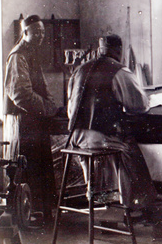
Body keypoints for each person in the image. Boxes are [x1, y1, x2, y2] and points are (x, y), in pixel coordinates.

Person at [67, 34, 157, 212]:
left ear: (100, 50)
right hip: (100, 138)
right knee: (129, 151)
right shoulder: (119, 71)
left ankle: (101, 206)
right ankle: (129, 208)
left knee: (100, 167)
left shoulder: (80, 69)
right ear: (119, 51)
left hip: (76, 138)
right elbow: (138, 106)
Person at [4, 14, 59, 226]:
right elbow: (20, 94)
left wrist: (51, 106)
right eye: (35, 32)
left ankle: (42, 212)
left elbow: (43, 87)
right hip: (23, 123)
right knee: (26, 168)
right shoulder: (18, 55)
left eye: (43, 32)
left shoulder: (31, 53)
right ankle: (27, 215)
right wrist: (46, 109)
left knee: (41, 167)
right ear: (25, 33)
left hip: (35, 122)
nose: (40, 36)